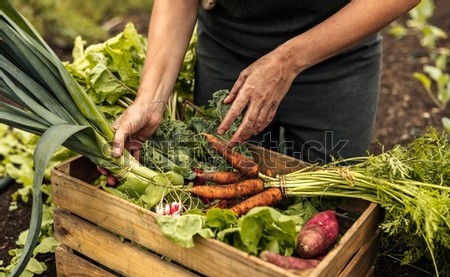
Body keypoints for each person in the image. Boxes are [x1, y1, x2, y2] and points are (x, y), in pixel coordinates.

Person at [110, 0, 420, 165]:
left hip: (337, 52)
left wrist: (287, 61)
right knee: (218, 174)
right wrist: (150, 100)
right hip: (229, 48)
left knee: (332, 202)